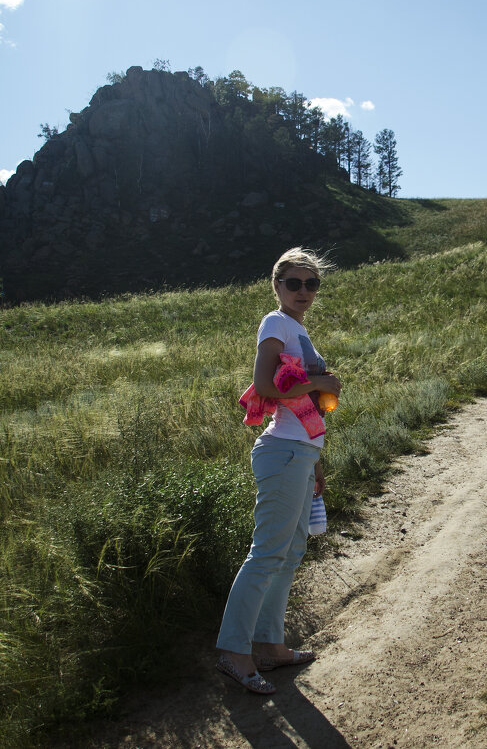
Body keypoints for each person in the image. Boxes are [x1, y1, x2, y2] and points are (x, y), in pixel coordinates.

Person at [216, 247, 342, 695]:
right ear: (277, 286)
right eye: (294, 283)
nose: (303, 291)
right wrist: (320, 383)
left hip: (300, 454)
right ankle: (234, 652)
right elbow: (266, 384)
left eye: (311, 284)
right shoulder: (276, 323)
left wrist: (316, 461)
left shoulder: (298, 329)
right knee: (268, 552)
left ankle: (270, 646)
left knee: (289, 553)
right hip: (283, 452)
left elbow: (301, 405)